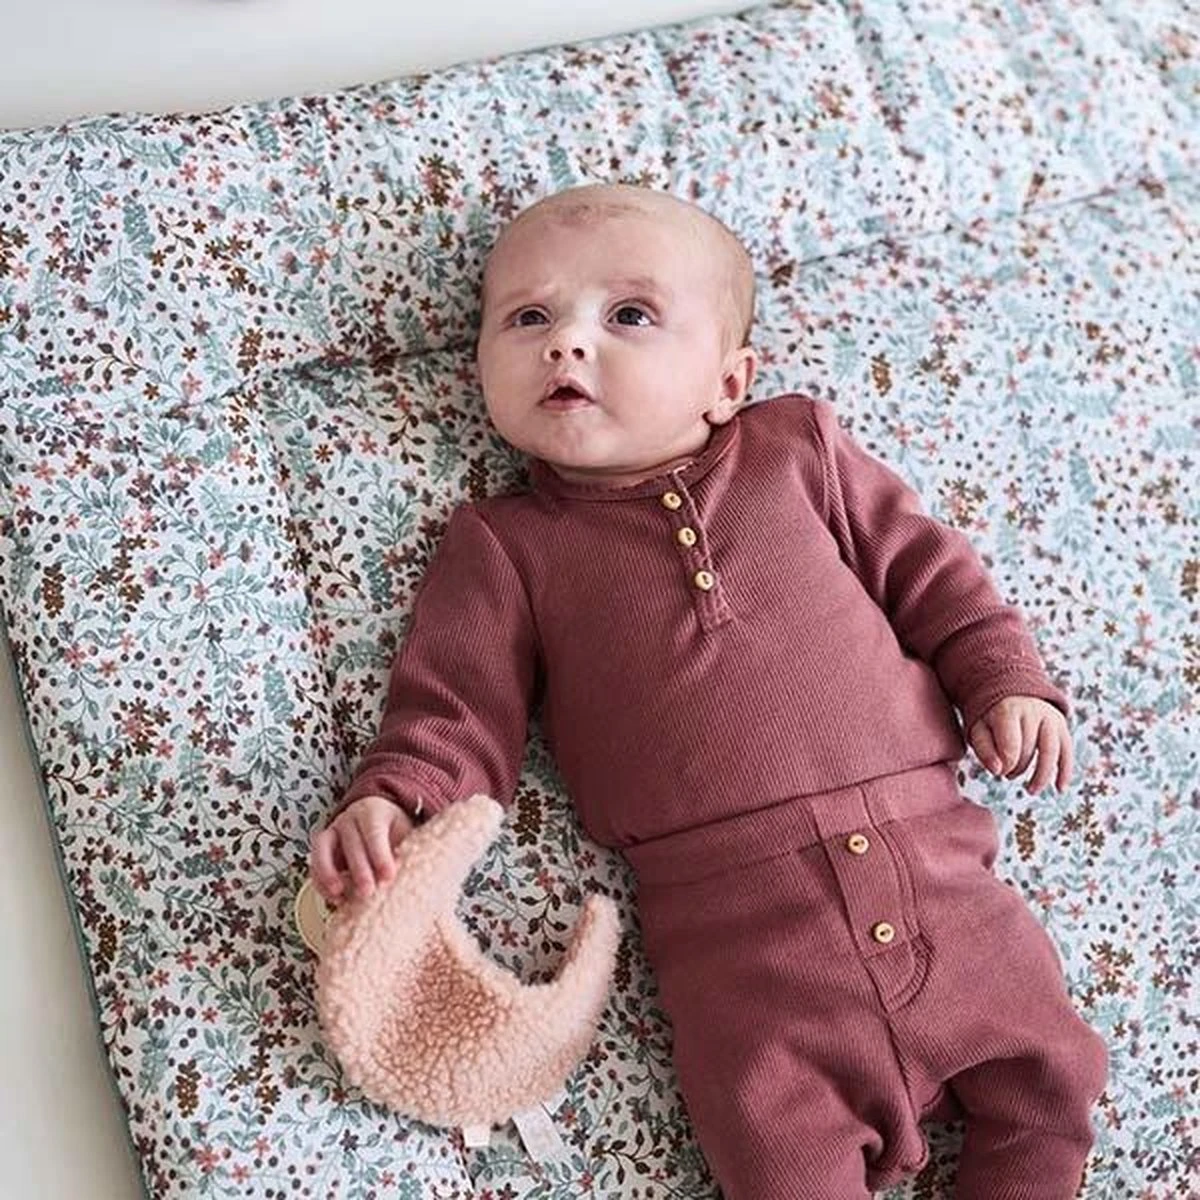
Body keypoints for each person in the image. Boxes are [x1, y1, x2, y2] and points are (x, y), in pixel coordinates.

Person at [308, 183, 1107, 1198]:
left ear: (728, 382)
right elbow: (456, 707)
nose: (567, 343)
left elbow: (930, 572)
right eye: (528, 317)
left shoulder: (799, 451)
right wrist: (399, 800)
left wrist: (1003, 679)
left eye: (629, 314)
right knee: (773, 1159)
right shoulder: (506, 547)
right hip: (737, 945)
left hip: (938, 868)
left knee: (1049, 1083)